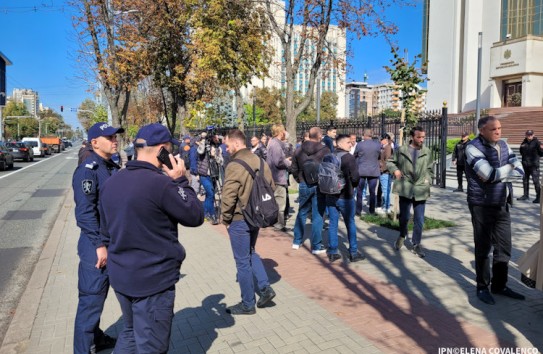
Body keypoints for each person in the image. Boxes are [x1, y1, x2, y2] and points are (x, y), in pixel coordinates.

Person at [99, 123, 204, 351]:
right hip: (152, 281)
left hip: (122, 277)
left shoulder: (111, 182)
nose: (174, 155)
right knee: (151, 346)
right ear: (161, 152)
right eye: (170, 150)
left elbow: (105, 231)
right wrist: (180, 180)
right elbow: (195, 215)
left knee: (130, 333)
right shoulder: (162, 184)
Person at [72, 122, 124, 354]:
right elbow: (84, 214)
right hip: (96, 246)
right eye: (109, 137)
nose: (115, 140)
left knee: (99, 300)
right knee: (91, 302)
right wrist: (99, 245)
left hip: (114, 243)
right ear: (94, 143)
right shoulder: (88, 171)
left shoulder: (111, 166)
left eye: (115, 137)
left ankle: (98, 338)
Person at [464, 116, 526, 305]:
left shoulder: (504, 146)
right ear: (482, 130)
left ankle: (499, 285)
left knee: (504, 247)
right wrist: (508, 169)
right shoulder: (472, 148)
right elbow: (488, 174)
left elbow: (520, 171)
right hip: (481, 204)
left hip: (501, 202)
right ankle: (482, 287)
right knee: (483, 248)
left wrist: (499, 173)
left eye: (499, 128)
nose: (498, 132)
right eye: (494, 129)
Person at [221, 129, 277, 315]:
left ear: (236, 143)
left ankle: (247, 303)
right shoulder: (260, 160)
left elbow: (228, 195)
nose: (226, 149)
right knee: (251, 252)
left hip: (239, 218)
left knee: (242, 262)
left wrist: (225, 218)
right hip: (256, 216)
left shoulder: (234, 164)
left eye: (227, 145)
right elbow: (271, 185)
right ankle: (265, 288)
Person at [387, 126, 434, 258]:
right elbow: (390, 162)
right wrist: (395, 170)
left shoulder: (427, 151)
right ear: (412, 137)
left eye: (423, 137)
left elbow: (430, 169)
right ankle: (402, 234)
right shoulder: (401, 150)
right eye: (419, 137)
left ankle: (416, 244)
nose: (421, 139)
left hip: (420, 188)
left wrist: (428, 179)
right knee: (405, 217)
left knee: (419, 219)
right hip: (405, 187)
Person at [290, 127, 331, 254]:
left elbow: (293, 168)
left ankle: (296, 241)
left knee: (302, 211)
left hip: (304, 183)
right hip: (320, 185)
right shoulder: (325, 150)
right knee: (318, 214)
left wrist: (300, 180)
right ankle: (316, 246)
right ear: (319, 136)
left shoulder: (298, 150)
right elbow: (330, 168)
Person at [325, 134, 364, 263]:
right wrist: (353, 186)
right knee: (350, 224)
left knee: (333, 224)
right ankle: (353, 252)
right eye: (348, 142)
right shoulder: (349, 158)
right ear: (340, 144)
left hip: (330, 195)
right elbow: (356, 177)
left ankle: (332, 252)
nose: (351, 144)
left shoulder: (329, 156)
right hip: (346, 196)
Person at [266, 124, 292, 232]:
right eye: (284, 131)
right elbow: (279, 162)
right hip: (278, 177)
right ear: (281, 132)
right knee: (280, 203)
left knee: (277, 201)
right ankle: (279, 224)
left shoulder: (273, 143)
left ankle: (276, 222)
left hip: (275, 176)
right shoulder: (275, 144)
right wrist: (288, 162)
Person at [197, 132, 223, 224]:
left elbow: (221, 161)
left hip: (214, 175)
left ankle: (204, 213)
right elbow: (200, 151)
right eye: (215, 137)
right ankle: (213, 215)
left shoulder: (218, 149)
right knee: (211, 193)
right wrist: (204, 140)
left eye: (217, 137)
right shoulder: (203, 145)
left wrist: (214, 156)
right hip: (204, 175)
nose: (217, 138)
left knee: (209, 195)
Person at [354, 129, 381, 215]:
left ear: (364, 135)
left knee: (359, 191)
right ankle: (372, 210)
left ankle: (358, 210)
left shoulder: (360, 145)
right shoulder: (377, 145)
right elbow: (379, 156)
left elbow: (355, 155)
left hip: (361, 170)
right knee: (372, 191)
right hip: (373, 170)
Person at [517, 129, 543, 203]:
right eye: (528, 135)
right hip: (525, 165)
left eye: (531, 134)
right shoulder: (524, 142)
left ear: (533, 135)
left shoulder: (537, 143)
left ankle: (539, 197)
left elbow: (541, 153)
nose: (529, 136)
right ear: (526, 135)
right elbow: (521, 152)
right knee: (525, 180)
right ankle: (525, 195)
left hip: (534, 166)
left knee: (536, 181)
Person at [376, 133, 393, 214]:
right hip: (385, 172)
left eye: (381, 139)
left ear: (385, 139)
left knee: (385, 190)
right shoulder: (385, 147)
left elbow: (388, 161)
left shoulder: (387, 148)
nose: (380, 141)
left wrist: (382, 168)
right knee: (386, 190)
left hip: (385, 172)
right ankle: (385, 206)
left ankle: (386, 207)